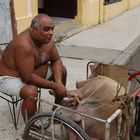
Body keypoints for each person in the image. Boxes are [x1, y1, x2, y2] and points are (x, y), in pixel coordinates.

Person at [0, 14, 67, 121]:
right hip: (9, 77)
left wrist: (58, 82)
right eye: (46, 29)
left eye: (52, 29)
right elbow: (27, 78)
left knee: (62, 70)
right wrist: (54, 86)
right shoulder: (23, 44)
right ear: (33, 30)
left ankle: (57, 108)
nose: (51, 33)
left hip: (31, 71)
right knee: (31, 91)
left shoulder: (47, 40)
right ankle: (30, 128)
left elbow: (56, 60)